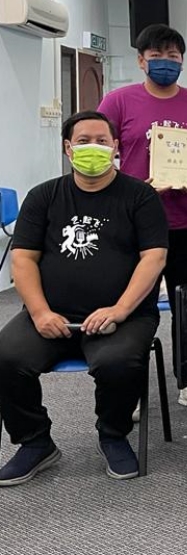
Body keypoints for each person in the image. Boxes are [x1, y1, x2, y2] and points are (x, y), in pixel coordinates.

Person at [0, 112, 168, 485]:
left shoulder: (140, 197)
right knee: (6, 355)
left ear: (115, 147)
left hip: (123, 316)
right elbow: (23, 258)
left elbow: (154, 257)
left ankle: (113, 435)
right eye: (83, 140)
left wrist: (120, 309)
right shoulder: (44, 196)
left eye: (102, 140)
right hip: (50, 313)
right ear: (67, 148)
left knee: (117, 363)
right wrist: (40, 312)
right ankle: (34, 441)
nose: (93, 147)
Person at [97, 24, 187, 415]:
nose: (166, 62)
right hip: (133, 225)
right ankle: (130, 383)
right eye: (157, 55)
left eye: (173, 56)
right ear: (141, 60)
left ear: (182, 61)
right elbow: (101, 152)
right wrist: (131, 188)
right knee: (133, 305)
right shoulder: (118, 102)